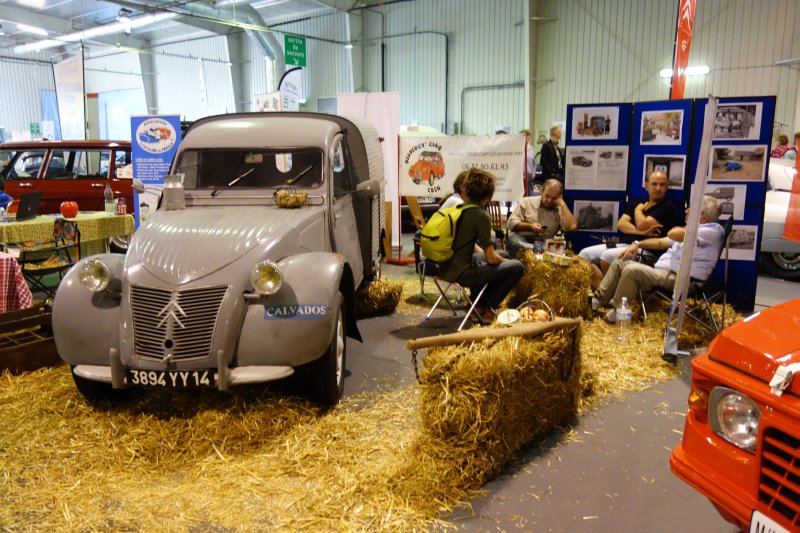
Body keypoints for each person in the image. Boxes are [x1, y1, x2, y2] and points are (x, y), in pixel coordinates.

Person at [592, 196, 725, 324]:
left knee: (631, 270)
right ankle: (595, 302)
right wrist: (637, 244)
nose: (686, 211)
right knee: (618, 263)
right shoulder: (694, 230)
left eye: (691, 209)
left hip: (683, 280)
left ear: (703, 217)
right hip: (665, 273)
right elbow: (661, 243)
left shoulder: (712, 231)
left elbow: (672, 233)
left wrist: (689, 225)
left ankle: (617, 313)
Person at [437, 167, 524, 323]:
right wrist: (506, 263)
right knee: (517, 266)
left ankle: (478, 305)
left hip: (446, 266)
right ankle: (485, 305)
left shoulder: (460, 207)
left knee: (502, 255)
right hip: (462, 273)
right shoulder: (480, 214)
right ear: (489, 195)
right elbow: (491, 258)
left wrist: (501, 259)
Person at [578, 170, 679, 289]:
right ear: (646, 185)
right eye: (654, 184)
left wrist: (638, 211)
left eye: (662, 185)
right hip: (626, 245)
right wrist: (640, 232)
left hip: (647, 251)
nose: (658, 188)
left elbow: (642, 224)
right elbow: (621, 224)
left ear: (666, 187)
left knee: (607, 256)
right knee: (584, 255)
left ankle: (611, 295)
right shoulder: (639, 202)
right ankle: (601, 289)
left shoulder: (667, 207)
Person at [506, 179, 578, 256]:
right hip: (523, 237)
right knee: (517, 244)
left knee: (556, 251)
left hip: (543, 243)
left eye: (554, 198)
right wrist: (530, 226)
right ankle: (519, 266)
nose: (549, 200)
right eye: (547, 196)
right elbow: (510, 223)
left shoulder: (559, 209)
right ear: (542, 192)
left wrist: (562, 204)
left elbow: (572, 227)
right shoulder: (527, 202)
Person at [520, 129, 536, 195]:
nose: (526, 137)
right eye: (524, 135)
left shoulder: (531, 149)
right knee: (521, 198)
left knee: (529, 197)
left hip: (529, 179)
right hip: (520, 178)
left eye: (528, 135)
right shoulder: (517, 148)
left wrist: (534, 173)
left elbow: (534, 163)